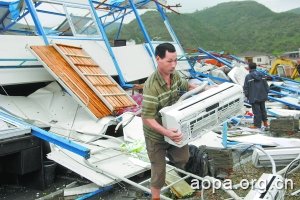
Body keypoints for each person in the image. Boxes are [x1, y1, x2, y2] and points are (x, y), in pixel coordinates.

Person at [141, 43, 198, 199]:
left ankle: (172, 161)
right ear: (158, 59)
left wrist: (205, 89)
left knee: (183, 158)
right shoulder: (151, 87)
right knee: (159, 169)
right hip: (156, 135)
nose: (173, 65)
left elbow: (186, 85)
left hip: (174, 127)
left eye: (175, 61)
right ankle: (155, 197)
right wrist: (166, 133)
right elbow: (147, 118)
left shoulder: (175, 75)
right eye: (169, 61)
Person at [243, 62, 269, 129]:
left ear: (249, 68)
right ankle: (265, 123)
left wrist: (247, 96)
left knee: (256, 112)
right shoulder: (261, 74)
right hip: (262, 95)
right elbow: (266, 85)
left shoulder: (248, 76)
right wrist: (266, 93)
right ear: (255, 67)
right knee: (263, 109)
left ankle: (257, 125)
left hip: (254, 97)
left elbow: (246, 87)